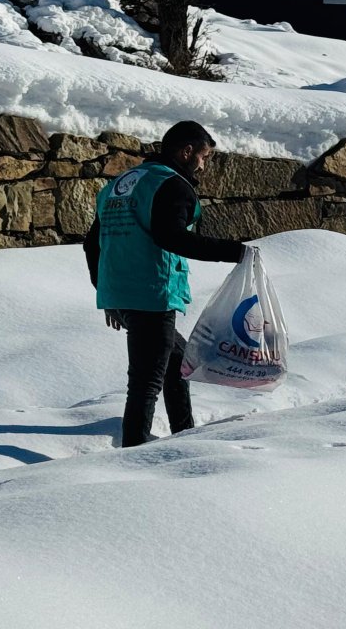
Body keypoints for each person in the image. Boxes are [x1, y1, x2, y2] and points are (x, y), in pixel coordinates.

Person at [84, 121, 247, 447]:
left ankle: (184, 439)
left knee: (178, 362)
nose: (203, 164)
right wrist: (235, 251)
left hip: (124, 293)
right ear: (186, 151)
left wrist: (108, 292)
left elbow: (92, 243)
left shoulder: (121, 184)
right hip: (152, 294)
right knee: (146, 383)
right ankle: (134, 456)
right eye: (203, 156)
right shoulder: (172, 185)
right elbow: (171, 238)